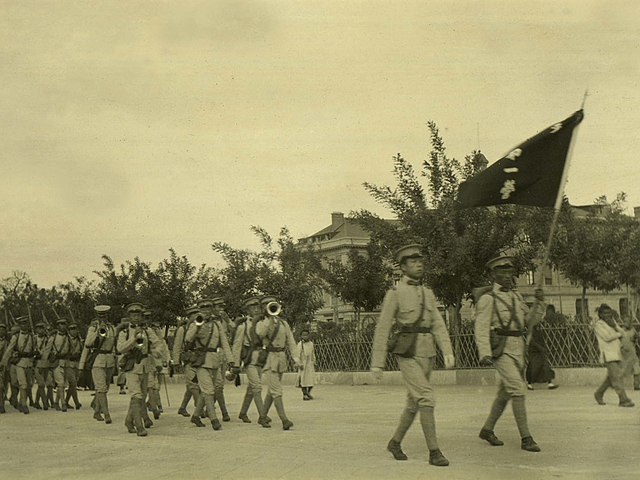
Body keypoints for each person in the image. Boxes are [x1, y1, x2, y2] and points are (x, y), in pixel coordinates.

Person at [370, 244, 455, 467]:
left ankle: (395, 442)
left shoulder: (427, 293)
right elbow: (383, 328)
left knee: (413, 403)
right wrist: (377, 363)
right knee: (426, 398)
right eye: (413, 262)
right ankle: (434, 452)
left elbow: (437, 323)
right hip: (407, 353)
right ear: (403, 267)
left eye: (420, 261)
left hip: (428, 353)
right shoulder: (395, 293)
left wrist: (447, 350)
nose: (419, 264)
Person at [475, 254, 545, 453]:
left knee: (504, 393)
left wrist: (539, 303)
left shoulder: (516, 296)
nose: (507, 276)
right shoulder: (488, 299)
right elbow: (481, 327)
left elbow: (529, 322)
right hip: (501, 349)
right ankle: (526, 438)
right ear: (493, 274)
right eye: (502, 272)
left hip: (518, 348)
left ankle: (487, 429)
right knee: (517, 388)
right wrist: (484, 352)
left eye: (509, 272)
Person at [185, 298, 233, 430]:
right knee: (209, 391)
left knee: (209, 390)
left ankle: (195, 416)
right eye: (203, 308)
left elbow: (224, 343)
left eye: (208, 308)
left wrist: (231, 360)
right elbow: (188, 338)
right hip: (201, 361)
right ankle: (214, 419)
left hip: (215, 361)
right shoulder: (195, 323)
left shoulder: (217, 325)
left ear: (211, 309)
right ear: (200, 310)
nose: (206, 311)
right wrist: (197, 325)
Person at [117, 302, 164, 436]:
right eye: (133, 315)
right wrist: (133, 338)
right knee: (136, 396)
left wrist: (156, 352)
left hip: (145, 365)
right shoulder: (125, 332)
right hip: (131, 367)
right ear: (129, 316)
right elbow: (120, 348)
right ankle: (139, 427)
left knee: (141, 397)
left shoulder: (148, 330)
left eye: (138, 315)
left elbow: (158, 343)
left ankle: (128, 420)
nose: (136, 318)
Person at [256, 295, 300, 430]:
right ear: (263, 308)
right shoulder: (261, 323)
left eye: (273, 304)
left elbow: (290, 341)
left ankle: (262, 416)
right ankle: (284, 420)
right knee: (277, 390)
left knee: (272, 390)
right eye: (267, 305)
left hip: (281, 358)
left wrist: (296, 358)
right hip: (269, 358)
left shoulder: (283, 323)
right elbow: (260, 334)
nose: (271, 307)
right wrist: (269, 320)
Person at [231, 296, 270, 426]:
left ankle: (243, 412)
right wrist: (235, 364)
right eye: (252, 307)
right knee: (257, 387)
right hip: (249, 359)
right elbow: (237, 345)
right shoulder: (243, 325)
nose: (256, 309)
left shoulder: (261, 323)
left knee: (251, 389)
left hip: (260, 359)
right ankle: (262, 416)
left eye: (257, 307)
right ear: (247, 310)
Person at [79, 305, 117, 423]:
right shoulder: (93, 328)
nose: (103, 318)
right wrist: (97, 331)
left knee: (105, 388)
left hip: (109, 360)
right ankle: (106, 414)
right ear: (97, 316)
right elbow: (88, 344)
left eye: (105, 315)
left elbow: (114, 345)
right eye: (100, 316)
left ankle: (96, 411)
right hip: (98, 360)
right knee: (101, 388)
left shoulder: (112, 328)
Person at [593, 304, 634, 407]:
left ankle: (599, 393)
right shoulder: (599, 325)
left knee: (612, 377)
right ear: (600, 314)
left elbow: (624, 333)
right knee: (616, 378)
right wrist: (619, 333)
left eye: (609, 313)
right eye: (605, 313)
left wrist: (615, 326)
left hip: (616, 352)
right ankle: (623, 399)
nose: (607, 315)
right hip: (608, 354)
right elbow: (607, 337)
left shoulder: (612, 323)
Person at [1, 316, 36, 414]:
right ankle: (24, 405)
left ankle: (21, 402)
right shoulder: (16, 337)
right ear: (20, 325)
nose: (24, 325)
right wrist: (3, 363)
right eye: (22, 324)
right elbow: (9, 350)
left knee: (29, 384)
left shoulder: (32, 336)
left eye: (26, 323)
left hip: (29, 363)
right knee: (23, 384)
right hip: (19, 363)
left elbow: (34, 349)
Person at [172, 306, 201, 417]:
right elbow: (177, 346)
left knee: (191, 386)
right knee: (193, 385)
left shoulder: (200, 327)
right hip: (188, 359)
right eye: (193, 315)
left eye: (196, 315)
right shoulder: (182, 329)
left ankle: (182, 408)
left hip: (199, 359)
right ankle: (200, 408)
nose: (195, 317)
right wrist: (176, 362)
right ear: (189, 316)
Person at [525, 307, 558, 390]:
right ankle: (529, 383)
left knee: (545, 365)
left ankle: (550, 383)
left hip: (539, 350)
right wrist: (541, 348)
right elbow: (531, 340)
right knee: (533, 367)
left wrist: (543, 347)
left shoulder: (537, 326)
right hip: (534, 350)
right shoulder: (531, 327)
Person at [211, 296, 231, 422]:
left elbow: (231, 332)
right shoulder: (210, 321)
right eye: (218, 306)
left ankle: (208, 408)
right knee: (217, 385)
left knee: (219, 385)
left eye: (222, 307)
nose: (221, 309)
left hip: (223, 353)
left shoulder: (224, 320)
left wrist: (228, 321)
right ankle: (224, 412)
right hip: (213, 353)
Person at [618, 315, 640, 391]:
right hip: (623, 352)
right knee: (622, 369)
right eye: (625, 322)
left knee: (636, 367)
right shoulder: (620, 331)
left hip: (631, 351)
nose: (626, 323)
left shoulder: (633, 330)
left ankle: (636, 385)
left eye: (628, 322)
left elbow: (635, 338)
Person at [296, 328, 316, 400]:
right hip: (303, 364)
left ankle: (308, 392)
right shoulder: (300, 344)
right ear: (301, 336)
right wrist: (299, 363)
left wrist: (314, 361)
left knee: (311, 380)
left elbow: (312, 353)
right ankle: (305, 394)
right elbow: (297, 355)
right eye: (303, 335)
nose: (305, 336)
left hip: (309, 364)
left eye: (306, 335)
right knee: (303, 380)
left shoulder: (311, 344)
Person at [0, 323, 8, 413]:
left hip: (4, 366)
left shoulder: (7, 342)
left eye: (3, 330)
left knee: (2, 386)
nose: (1, 331)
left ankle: (1, 405)